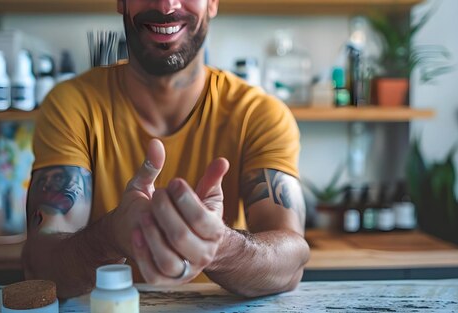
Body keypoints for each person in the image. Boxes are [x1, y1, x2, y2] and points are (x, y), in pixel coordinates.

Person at [22, 0, 309, 299]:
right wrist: (109, 236)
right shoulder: (71, 106)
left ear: (212, 3)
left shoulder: (259, 114)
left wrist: (219, 245)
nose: (166, 5)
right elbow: (38, 265)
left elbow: (291, 261)